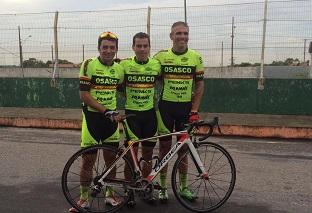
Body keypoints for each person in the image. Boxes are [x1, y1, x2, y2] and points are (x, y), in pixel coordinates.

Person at [69, 31, 124, 212]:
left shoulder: (119, 69)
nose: (108, 51)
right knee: (88, 161)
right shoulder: (88, 64)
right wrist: (106, 111)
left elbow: (124, 89)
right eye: (105, 47)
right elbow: (84, 95)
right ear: (99, 48)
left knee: (111, 161)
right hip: (93, 119)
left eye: (112, 48)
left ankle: (109, 194)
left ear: (116, 50)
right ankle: (84, 199)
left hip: (111, 121)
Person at [154, 21, 205, 202]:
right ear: (171, 36)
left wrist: (194, 110)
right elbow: (147, 71)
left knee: (183, 149)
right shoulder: (161, 57)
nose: (182, 37)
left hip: (185, 109)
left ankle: (183, 187)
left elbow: (199, 85)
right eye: (178, 33)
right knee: (164, 148)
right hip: (165, 108)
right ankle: (162, 187)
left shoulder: (196, 57)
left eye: (185, 33)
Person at [119, 32, 161, 203]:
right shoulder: (124, 65)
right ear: (133, 47)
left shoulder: (156, 65)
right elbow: (117, 85)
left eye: (145, 46)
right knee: (131, 156)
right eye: (139, 46)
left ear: (149, 47)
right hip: (132, 115)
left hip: (150, 115)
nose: (142, 49)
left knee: (148, 155)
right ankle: (129, 190)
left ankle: (146, 187)